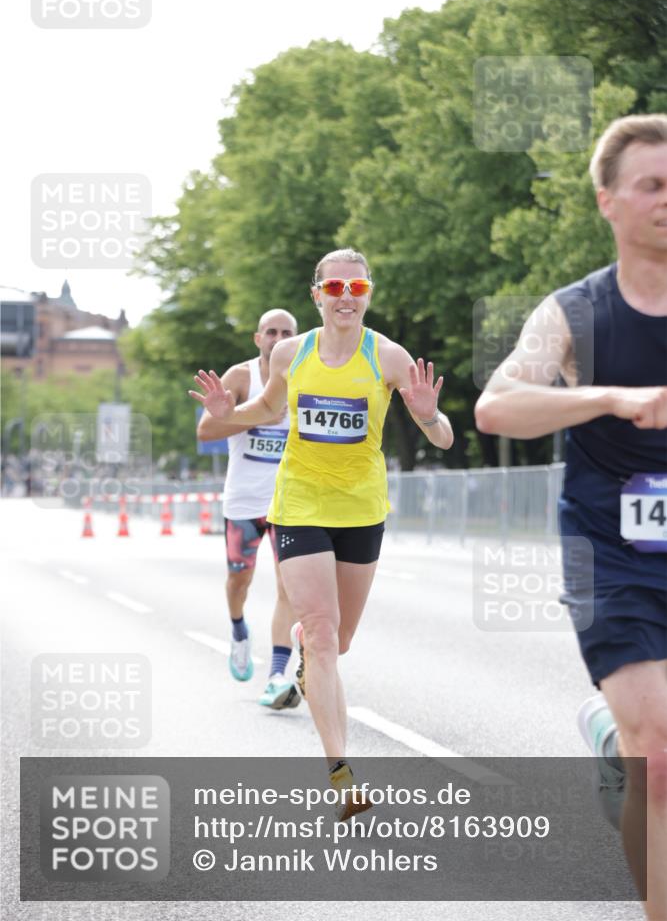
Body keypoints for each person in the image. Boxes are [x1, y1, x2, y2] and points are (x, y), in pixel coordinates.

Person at [474, 114, 667, 920]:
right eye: (651, 185)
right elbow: (496, 405)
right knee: (659, 753)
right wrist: (607, 397)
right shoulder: (574, 314)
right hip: (613, 550)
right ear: (606, 202)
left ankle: (612, 740)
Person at [190, 248, 454, 819]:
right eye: (334, 287)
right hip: (299, 505)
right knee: (322, 634)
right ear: (317, 294)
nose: (344, 297)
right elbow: (262, 409)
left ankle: (310, 664)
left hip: (360, 511)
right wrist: (223, 412)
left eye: (355, 288)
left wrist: (430, 414)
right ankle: (341, 772)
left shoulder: (388, 357)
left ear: (368, 294)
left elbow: (444, 440)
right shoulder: (291, 352)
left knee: (341, 640)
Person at [196, 308, 301, 711]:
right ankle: (239, 630)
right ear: (258, 338)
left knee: (288, 588)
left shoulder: (305, 375)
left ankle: (276, 676)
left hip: (289, 504)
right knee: (239, 580)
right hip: (243, 501)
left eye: (286, 332)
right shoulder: (241, 378)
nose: (277, 338)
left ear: (294, 339)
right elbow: (206, 430)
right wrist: (256, 414)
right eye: (271, 331)